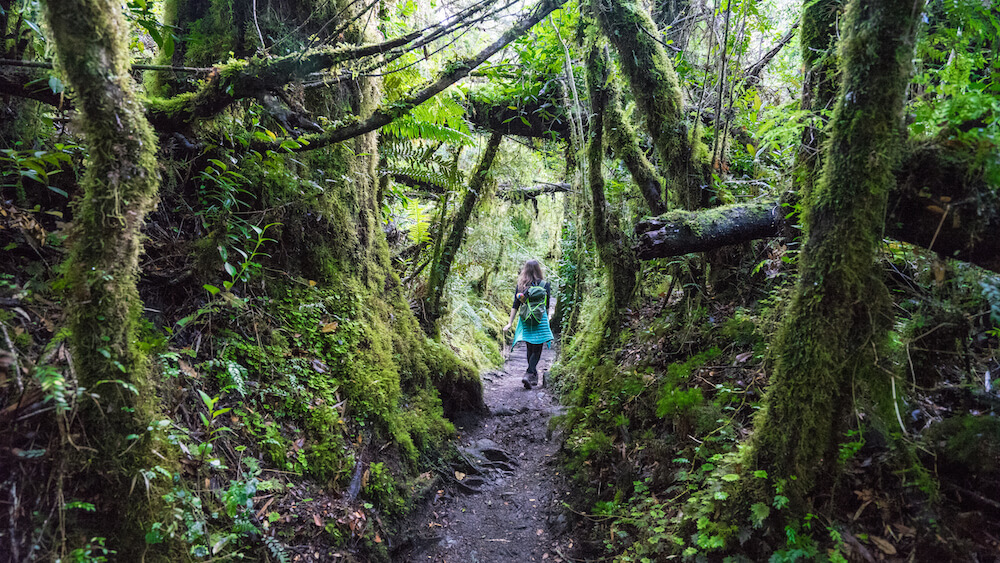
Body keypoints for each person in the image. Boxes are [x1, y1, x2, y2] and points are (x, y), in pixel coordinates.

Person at [503, 259, 553, 389]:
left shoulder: (521, 285)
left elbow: (516, 305)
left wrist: (510, 323)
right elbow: (546, 306)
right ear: (538, 270)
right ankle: (529, 373)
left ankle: (532, 374)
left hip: (525, 319)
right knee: (538, 348)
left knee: (530, 347)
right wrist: (546, 322)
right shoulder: (545, 284)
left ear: (525, 270)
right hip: (539, 320)